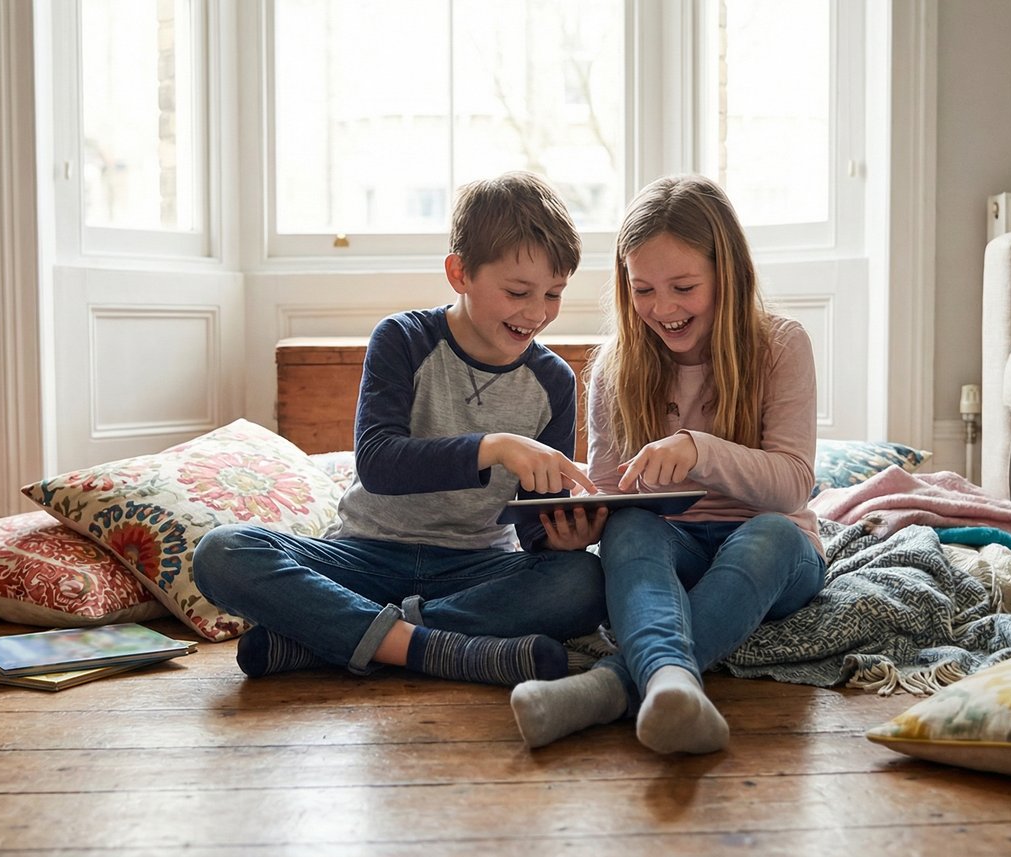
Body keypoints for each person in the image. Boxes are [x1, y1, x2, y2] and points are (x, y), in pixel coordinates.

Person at [193, 171, 608, 687]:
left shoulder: (554, 382)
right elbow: (379, 462)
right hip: (364, 557)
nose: (537, 312)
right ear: (459, 273)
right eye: (518, 291)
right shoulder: (402, 338)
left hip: (473, 570)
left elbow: (527, 530)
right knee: (223, 552)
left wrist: (563, 539)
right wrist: (492, 446)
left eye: (554, 294)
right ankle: (443, 649)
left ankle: (333, 641)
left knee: (581, 581)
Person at [511, 175, 827, 753]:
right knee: (632, 524)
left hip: (774, 553)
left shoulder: (782, 344)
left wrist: (697, 449)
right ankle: (669, 684)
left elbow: (792, 484)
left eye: (683, 286)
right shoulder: (615, 366)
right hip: (671, 553)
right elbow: (609, 488)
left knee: (770, 534)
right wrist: (584, 524)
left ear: (727, 275)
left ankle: (610, 687)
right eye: (643, 290)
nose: (663, 309)